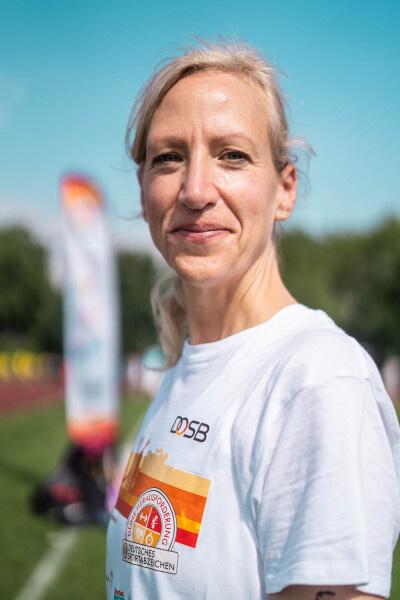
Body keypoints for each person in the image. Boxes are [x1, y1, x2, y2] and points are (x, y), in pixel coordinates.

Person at [106, 40, 400, 599]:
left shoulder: (318, 381)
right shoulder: (185, 369)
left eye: (232, 156)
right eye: (168, 158)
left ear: (285, 190)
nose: (195, 190)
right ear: (144, 192)